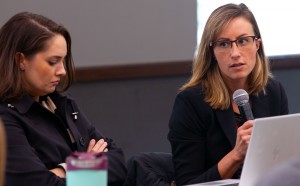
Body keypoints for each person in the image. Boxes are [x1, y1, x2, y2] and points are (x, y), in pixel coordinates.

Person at [168, 3, 289, 185]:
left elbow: (282, 162)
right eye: (224, 44)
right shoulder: (190, 102)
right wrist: (236, 155)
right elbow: (189, 182)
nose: (235, 53)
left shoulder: (273, 92)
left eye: (242, 41)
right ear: (212, 53)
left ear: (257, 45)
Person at [0, 12, 127, 186]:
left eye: (63, 60)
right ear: (21, 60)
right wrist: (90, 166)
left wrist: (63, 170)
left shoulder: (63, 103)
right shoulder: (5, 118)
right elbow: (39, 183)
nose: (62, 71)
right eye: (53, 61)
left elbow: (118, 163)